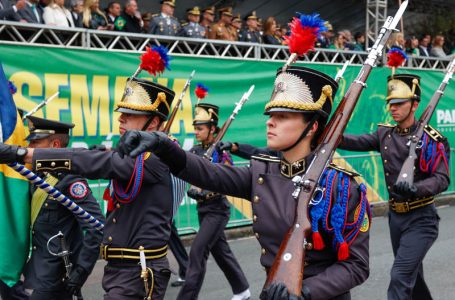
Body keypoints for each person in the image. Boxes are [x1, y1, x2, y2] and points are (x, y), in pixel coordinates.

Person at [117, 65, 371, 300]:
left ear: (312, 126)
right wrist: (163, 146)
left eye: (283, 116)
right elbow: (207, 173)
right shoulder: (261, 173)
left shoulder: (340, 186)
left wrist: (305, 292)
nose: (270, 121)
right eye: (271, 114)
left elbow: (356, 265)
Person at [0, 75, 177, 299]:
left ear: (152, 123)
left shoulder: (154, 159)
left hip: (139, 273)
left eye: (130, 115)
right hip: (120, 271)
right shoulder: (136, 157)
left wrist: (22, 154)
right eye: (122, 113)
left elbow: (94, 161)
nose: (121, 119)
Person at [338, 73, 450, 299]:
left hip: (422, 220)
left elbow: (442, 178)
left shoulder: (431, 139)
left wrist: (416, 189)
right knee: (413, 279)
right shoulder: (385, 134)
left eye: (399, 103)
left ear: (415, 104)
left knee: (400, 276)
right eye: (391, 103)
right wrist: (330, 133)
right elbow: (354, 142)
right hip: (396, 219)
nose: (393, 108)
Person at [171, 101, 251, 300]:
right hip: (202, 210)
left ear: (213, 129)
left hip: (217, 210)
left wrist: (204, 188)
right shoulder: (196, 151)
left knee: (197, 251)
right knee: (220, 251)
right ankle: (242, 289)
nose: (196, 132)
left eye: (200, 129)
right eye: (195, 128)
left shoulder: (221, 152)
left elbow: (226, 178)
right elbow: (180, 164)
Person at [22, 116, 104, 300]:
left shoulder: (69, 180)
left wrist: (81, 270)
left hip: (58, 274)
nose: (30, 148)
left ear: (55, 145)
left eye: (35, 143)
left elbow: (96, 225)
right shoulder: (36, 175)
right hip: (40, 271)